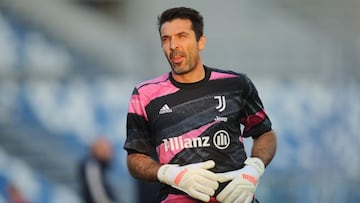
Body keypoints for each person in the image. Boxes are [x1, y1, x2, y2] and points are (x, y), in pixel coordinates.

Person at [124, 7, 277, 203]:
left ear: (201, 41)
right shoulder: (145, 94)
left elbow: (265, 132)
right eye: (166, 39)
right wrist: (169, 174)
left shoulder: (235, 84)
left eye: (182, 36)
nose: (173, 45)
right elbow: (135, 159)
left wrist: (254, 169)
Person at [79, 137, 117, 203]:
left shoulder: (102, 168)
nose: (110, 153)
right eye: (106, 150)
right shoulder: (92, 167)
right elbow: (98, 196)